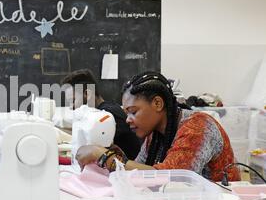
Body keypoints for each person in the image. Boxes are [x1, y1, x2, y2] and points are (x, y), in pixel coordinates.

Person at [75, 71, 240, 182]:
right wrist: (113, 155)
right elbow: (139, 170)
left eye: (133, 112)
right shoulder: (155, 135)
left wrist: (104, 156)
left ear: (157, 103)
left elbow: (169, 178)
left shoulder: (198, 128)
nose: (127, 120)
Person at [61, 69, 141, 160]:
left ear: (87, 94)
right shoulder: (102, 111)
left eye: (73, 101)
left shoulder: (107, 116)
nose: (71, 107)